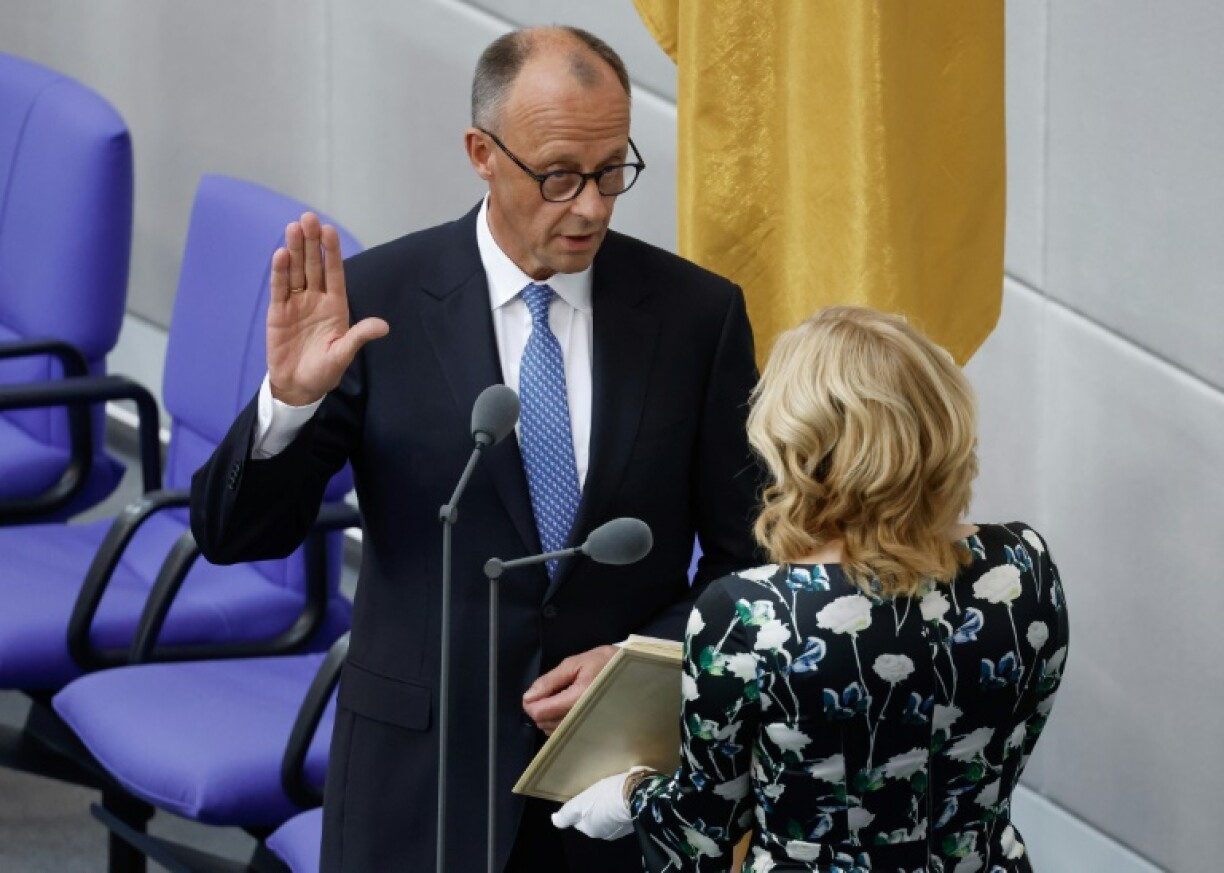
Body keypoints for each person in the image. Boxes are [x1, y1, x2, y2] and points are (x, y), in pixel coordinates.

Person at [189, 25, 760, 873]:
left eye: (612, 172)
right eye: (561, 176)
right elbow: (236, 536)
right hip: (416, 786)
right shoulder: (378, 302)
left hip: (614, 791)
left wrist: (648, 662)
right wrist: (289, 406)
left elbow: (749, 557)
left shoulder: (695, 318)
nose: (594, 206)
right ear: (482, 153)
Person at [555, 306, 1070, 872]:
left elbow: (702, 832)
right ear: (942, 417)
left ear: (800, 443)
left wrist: (630, 795)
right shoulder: (1025, 563)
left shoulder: (751, 612)